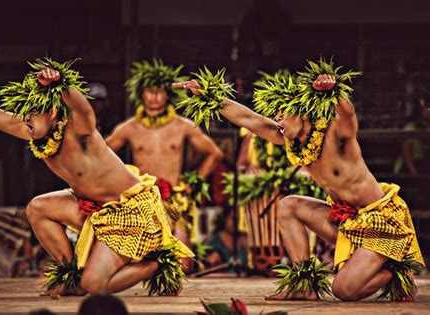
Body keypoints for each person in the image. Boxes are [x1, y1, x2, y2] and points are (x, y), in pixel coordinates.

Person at [174, 60, 424, 301]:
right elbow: (249, 119)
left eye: (283, 113)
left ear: (303, 112)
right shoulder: (290, 140)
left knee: (344, 291)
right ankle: (304, 283)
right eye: (276, 115)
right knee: (289, 205)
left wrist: (333, 90)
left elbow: (347, 114)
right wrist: (210, 95)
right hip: (348, 222)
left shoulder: (336, 135)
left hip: (381, 224)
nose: (278, 119)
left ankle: (395, 266)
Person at [0, 59, 192, 297]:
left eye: (32, 113)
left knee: (95, 286)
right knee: (37, 208)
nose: (25, 119)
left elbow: (83, 108)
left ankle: (155, 264)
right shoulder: (33, 130)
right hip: (94, 209)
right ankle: (70, 277)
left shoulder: (80, 130)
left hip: (130, 213)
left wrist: (61, 83)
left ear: (53, 112)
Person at [106, 60, 223, 271]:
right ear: (142, 94)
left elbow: (215, 153)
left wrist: (192, 182)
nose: (155, 97)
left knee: (183, 263)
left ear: (167, 95)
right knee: (139, 258)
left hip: (175, 197)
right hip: (142, 198)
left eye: (160, 92)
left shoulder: (182, 126)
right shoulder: (128, 128)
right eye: (150, 92)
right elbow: (102, 155)